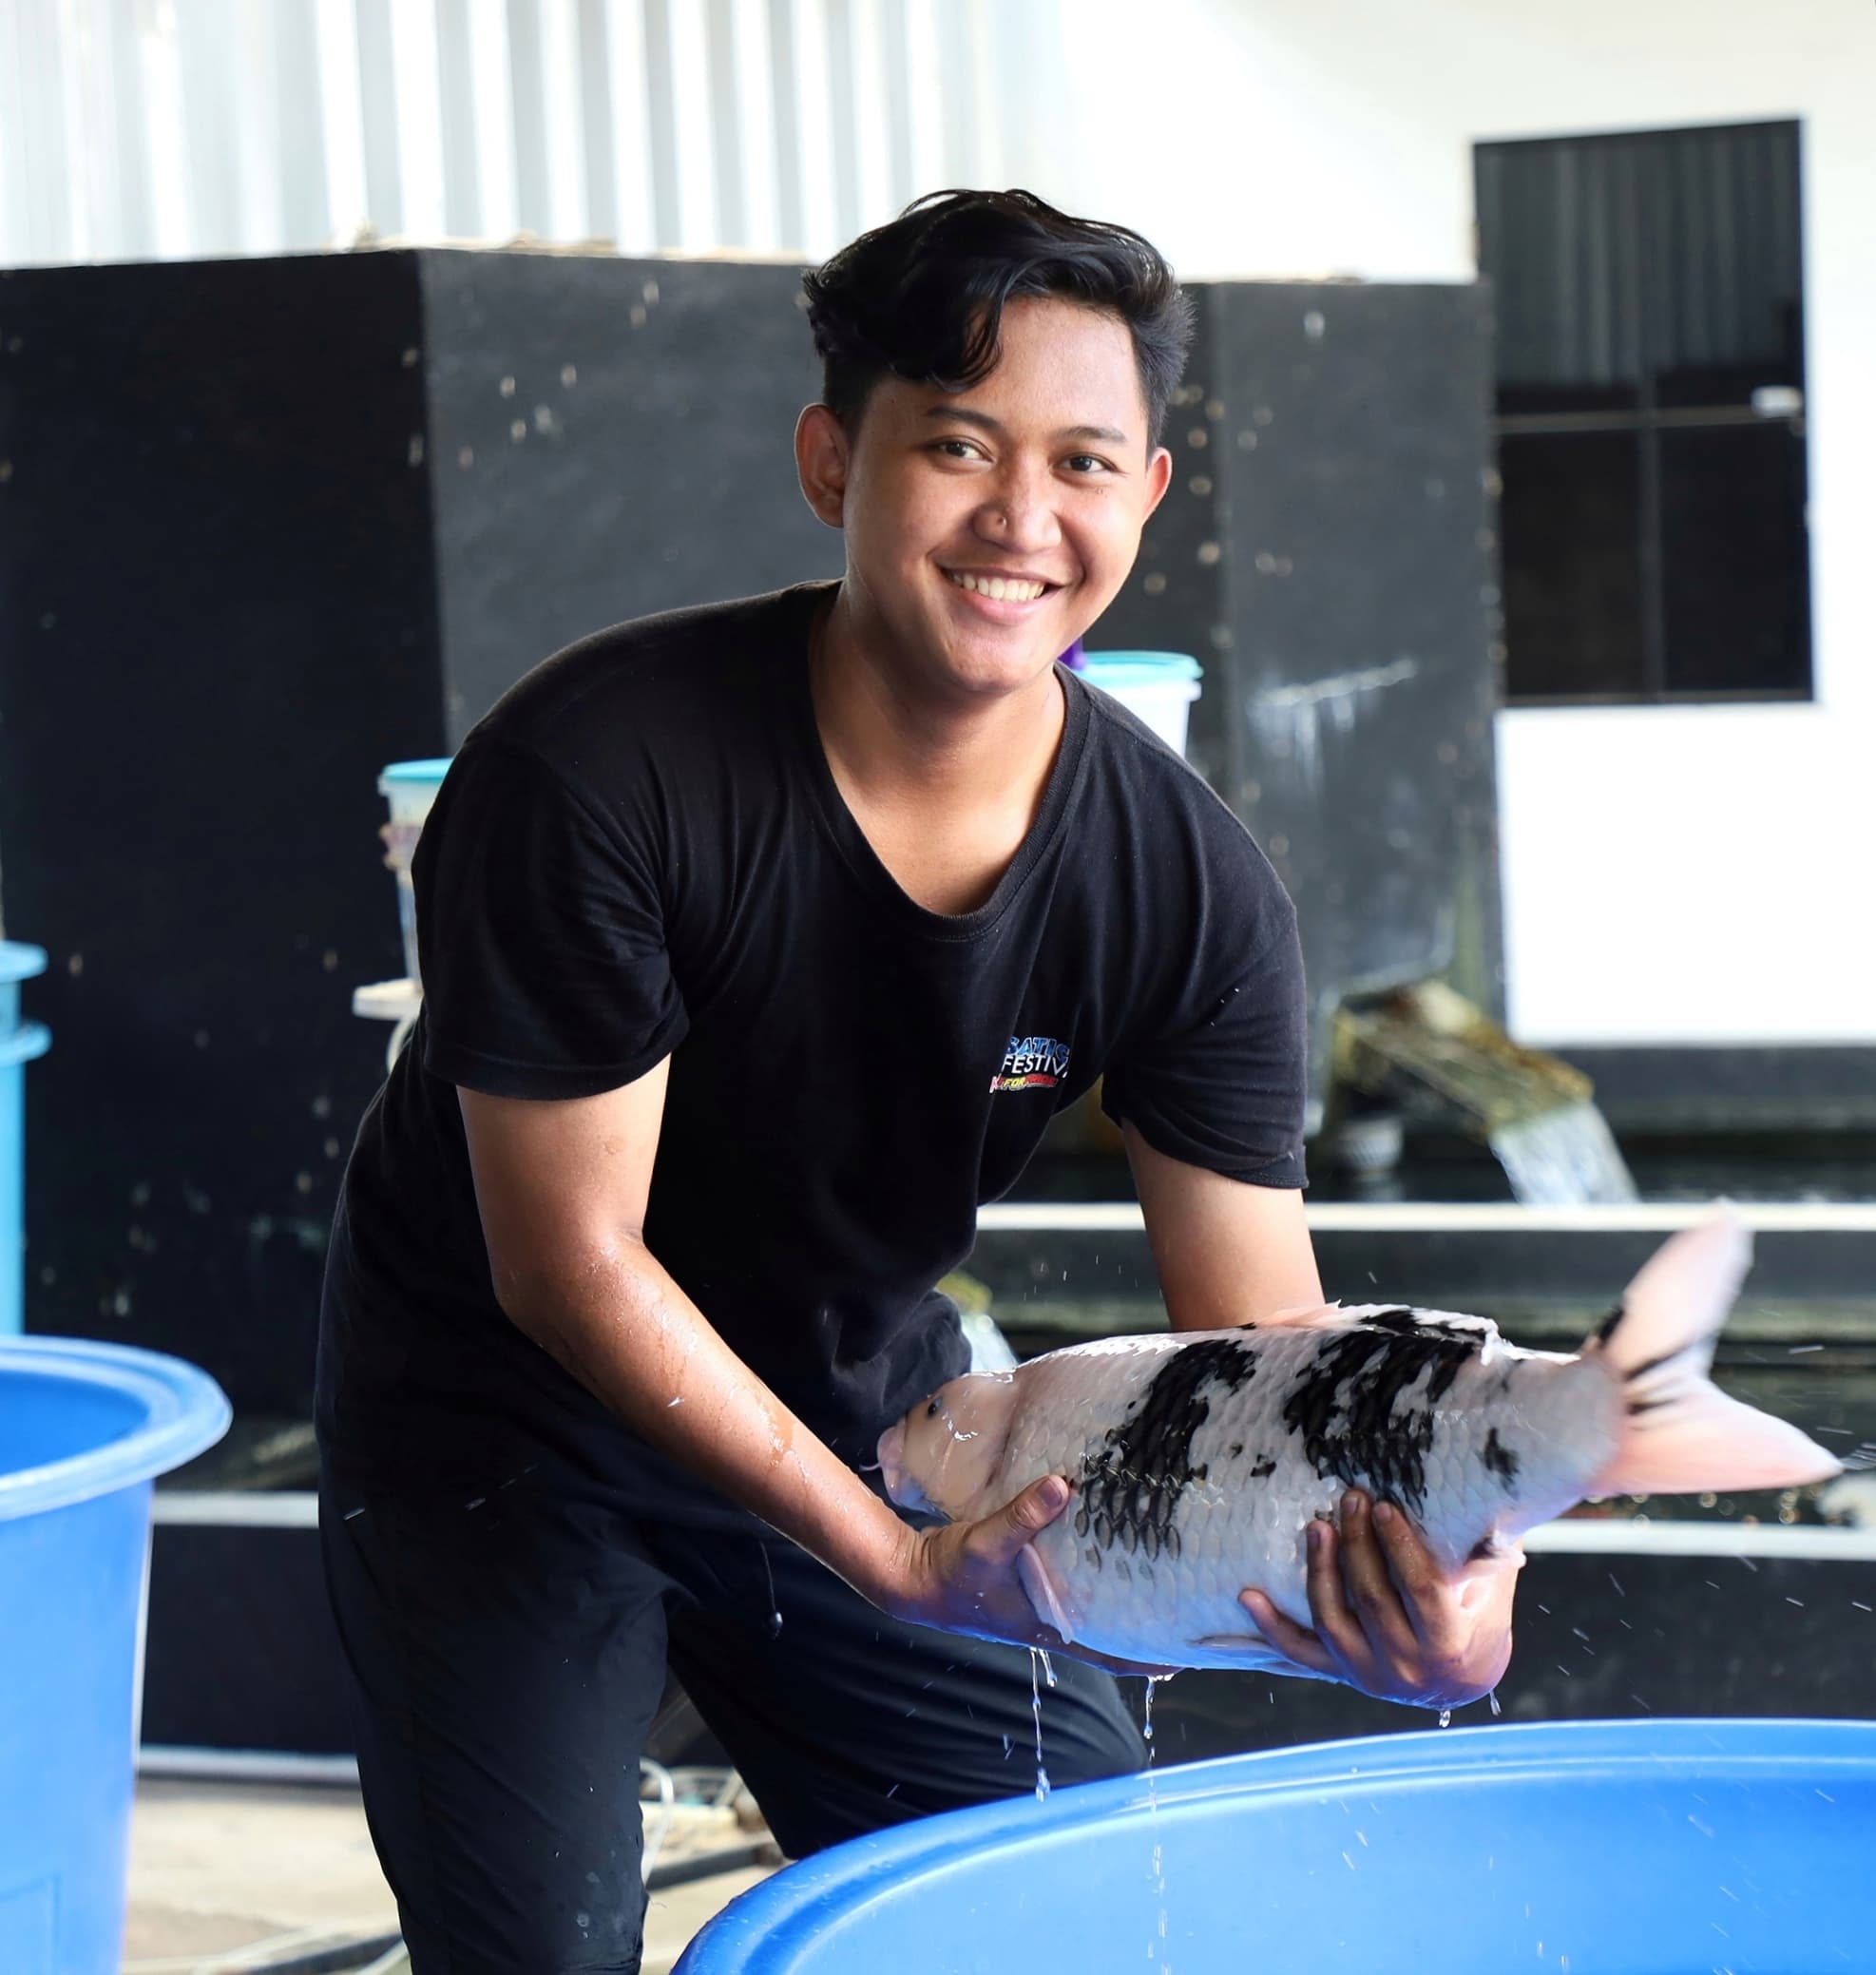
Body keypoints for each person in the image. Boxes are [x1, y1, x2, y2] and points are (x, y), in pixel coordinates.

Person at [316, 188, 1515, 1971]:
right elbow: (568, 1264)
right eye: (957, 445)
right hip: (503, 1427)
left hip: (860, 1405)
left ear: (1146, 494)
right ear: (832, 461)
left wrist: (1445, 1606)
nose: (1021, 518)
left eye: (1081, 463)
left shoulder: (1185, 885)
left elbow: (1263, 1357)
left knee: (1070, 1915)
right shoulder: (597, 771)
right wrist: (888, 1563)